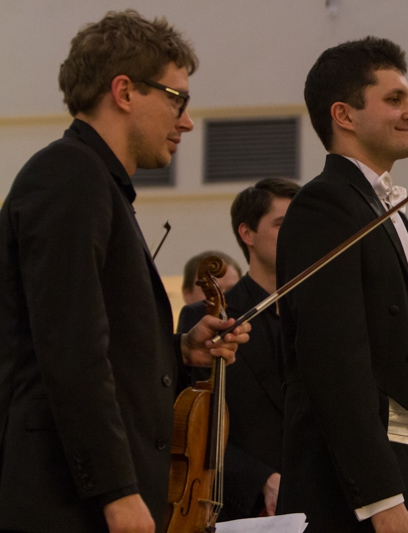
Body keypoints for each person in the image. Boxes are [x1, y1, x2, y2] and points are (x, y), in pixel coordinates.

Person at [0, 11, 250, 533]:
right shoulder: (68, 176)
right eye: (177, 98)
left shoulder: (96, 183)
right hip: (69, 503)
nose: (186, 121)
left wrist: (180, 350)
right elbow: (71, 351)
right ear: (124, 91)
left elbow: (101, 341)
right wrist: (118, 492)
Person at [276, 36, 408, 533]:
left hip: (404, 475)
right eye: (394, 99)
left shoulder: (386, 211)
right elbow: (334, 362)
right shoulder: (324, 206)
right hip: (351, 494)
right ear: (344, 115)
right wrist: (378, 498)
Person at [177, 177, 300, 520]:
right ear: (247, 234)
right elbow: (196, 424)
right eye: (280, 224)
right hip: (239, 510)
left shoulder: (319, 315)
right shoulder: (208, 317)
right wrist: (260, 480)